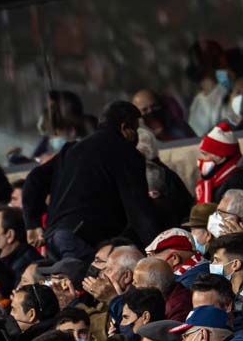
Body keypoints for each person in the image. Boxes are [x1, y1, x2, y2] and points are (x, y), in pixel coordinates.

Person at [23, 101, 158, 260]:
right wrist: (156, 249)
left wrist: (32, 223)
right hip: (82, 241)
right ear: (124, 127)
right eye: (135, 129)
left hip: (53, 238)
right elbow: (139, 210)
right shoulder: (125, 151)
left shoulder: (72, 150)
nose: (136, 136)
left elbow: (34, 179)